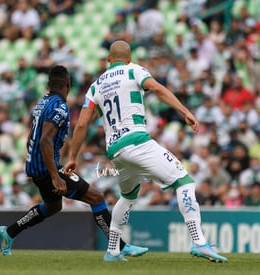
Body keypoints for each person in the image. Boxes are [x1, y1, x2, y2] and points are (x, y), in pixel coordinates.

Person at [65, 41, 227, 263]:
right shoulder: (134, 70)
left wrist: (73, 157)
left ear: (108, 60)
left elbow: (82, 124)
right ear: (129, 58)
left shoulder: (95, 86)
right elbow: (157, 89)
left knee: (128, 196)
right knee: (185, 182)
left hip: (115, 151)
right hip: (137, 141)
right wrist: (184, 111)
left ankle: (112, 251)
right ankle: (199, 242)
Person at [0, 65, 147, 257]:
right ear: (68, 84)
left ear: (49, 84)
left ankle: (9, 232)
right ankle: (119, 247)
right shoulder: (59, 106)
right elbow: (44, 140)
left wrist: (33, 165)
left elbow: (31, 139)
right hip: (46, 168)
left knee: (53, 206)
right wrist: (54, 176)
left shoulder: (42, 103)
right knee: (96, 197)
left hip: (37, 167)